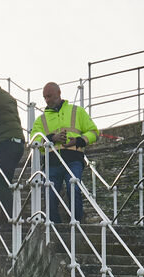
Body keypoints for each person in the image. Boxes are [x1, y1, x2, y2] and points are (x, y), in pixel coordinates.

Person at [29, 82, 98, 223]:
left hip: (74, 159)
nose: (47, 100)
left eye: (50, 96)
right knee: (49, 194)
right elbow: (34, 140)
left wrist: (78, 140)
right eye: (45, 97)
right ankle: (55, 226)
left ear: (59, 93)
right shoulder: (41, 120)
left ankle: (76, 223)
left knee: (74, 189)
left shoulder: (77, 111)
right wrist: (52, 138)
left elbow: (94, 132)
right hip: (51, 163)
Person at [0, 72, 24, 223]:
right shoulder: (8, 96)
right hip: (18, 143)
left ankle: (9, 219)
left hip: (5, 143)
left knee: (0, 183)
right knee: (5, 182)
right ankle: (6, 218)